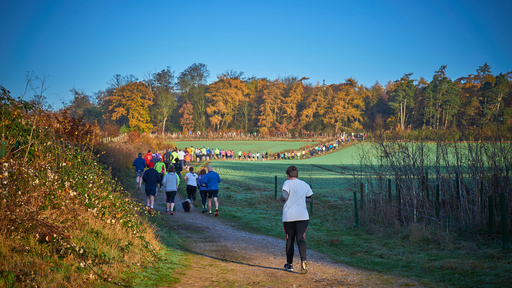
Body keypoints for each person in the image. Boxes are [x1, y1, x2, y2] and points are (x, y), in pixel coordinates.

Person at [280, 165, 313, 274]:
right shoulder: (305, 184)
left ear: (288, 175)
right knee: (301, 238)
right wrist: (301, 198)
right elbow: (310, 198)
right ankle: (303, 262)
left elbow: (284, 195)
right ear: (297, 174)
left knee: (290, 239)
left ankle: (289, 264)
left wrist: (282, 199)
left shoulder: (287, 183)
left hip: (289, 217)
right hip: (303, 216)